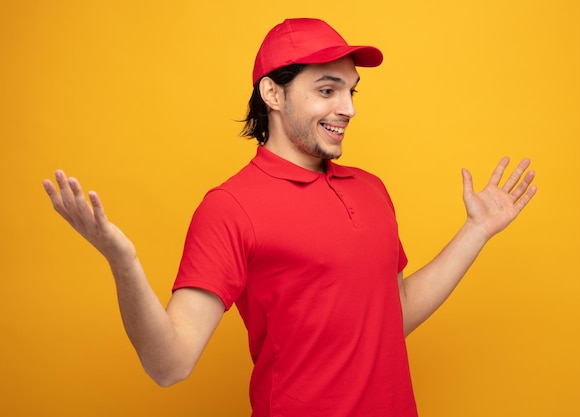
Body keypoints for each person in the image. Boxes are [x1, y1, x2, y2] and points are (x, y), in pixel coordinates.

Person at [42, 17, 537, 417]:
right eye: (327, 90)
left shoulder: (370, 189)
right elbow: (169, 364)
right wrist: (123, 263)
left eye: (351, 91)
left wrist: (476, 231)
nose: (348, 108)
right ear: (273, 95)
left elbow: (393, 313)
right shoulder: (230, 207)